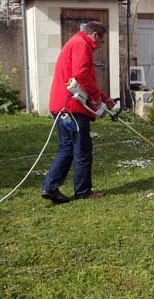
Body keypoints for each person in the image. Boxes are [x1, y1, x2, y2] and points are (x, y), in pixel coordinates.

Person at [42, 21, 115, 204]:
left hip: (61, 105)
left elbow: (83, 77)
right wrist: (96, 97)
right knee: (82, 149)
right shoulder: (82, 45)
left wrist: (103, 98)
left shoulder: (74, 43)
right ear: (95, 36)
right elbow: (81, 75)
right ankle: (83, 191)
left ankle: (50, 187)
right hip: (72, 107)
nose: (100, 47)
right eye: (102, 42)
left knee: (67, 148)